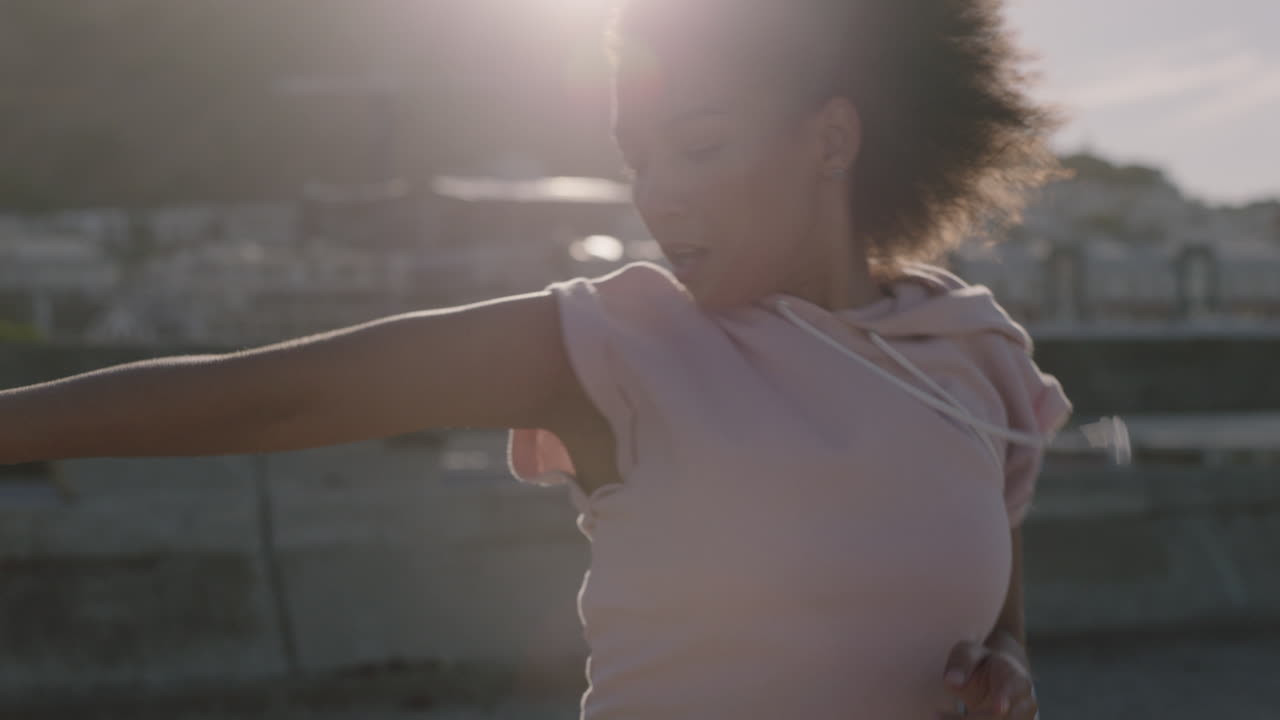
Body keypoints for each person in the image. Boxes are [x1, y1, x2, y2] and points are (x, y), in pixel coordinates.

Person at [0, 0, 1070, 717]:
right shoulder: (619, 342)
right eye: (636, 159)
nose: (658, 194)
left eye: (697, 146)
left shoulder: (968, 353)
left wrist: (1009, 663)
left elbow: (995, 555)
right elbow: (271, 400)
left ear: (831, 140)